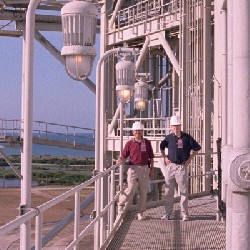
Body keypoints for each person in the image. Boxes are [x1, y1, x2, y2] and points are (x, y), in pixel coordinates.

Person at [160, 115, 201, 221]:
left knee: (183, 191)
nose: (175, 128)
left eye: (177, 126)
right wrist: (165, 157)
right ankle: (167, 213)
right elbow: (162, 146)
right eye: (174, 126)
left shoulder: (187, 137)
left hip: (182, 167)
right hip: (171, 166)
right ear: (171, 127)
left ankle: (184, 214)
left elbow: (197, 148)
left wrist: (190, 159)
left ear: (180, 125)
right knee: (168, 191)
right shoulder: (168, 138)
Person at [117, 121, 154, 221]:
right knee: (130, 189)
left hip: (144, 168)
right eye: (136, 131)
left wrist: (151, 170)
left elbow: (151, 157)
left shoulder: (147, 142)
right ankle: (121, 205)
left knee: (143, 191)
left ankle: (140, 213)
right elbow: (124, 155)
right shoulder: (129, 143)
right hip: (133, 168)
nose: (138, 132)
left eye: (139, 131)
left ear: (142, 132)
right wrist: (120, 160)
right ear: (133, 132)